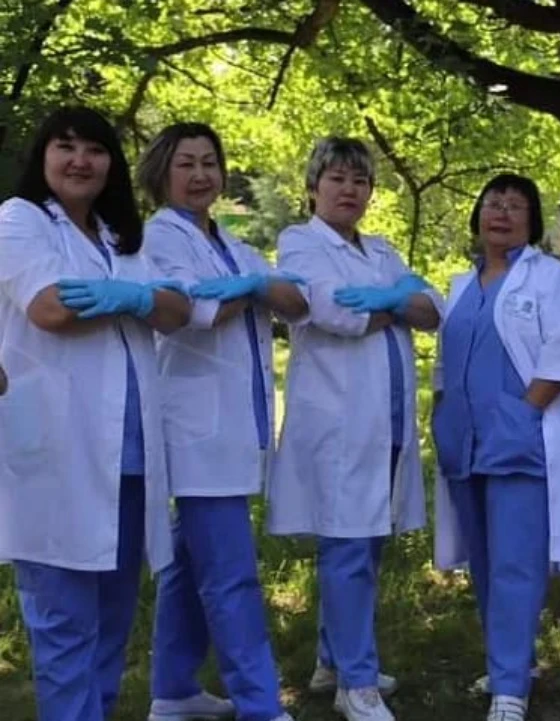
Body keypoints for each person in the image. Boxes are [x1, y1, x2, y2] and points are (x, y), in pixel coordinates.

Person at [0, 106, 188, 721]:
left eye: (96, 149)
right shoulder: (20, 220)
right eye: (66, 146)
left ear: (112, 164)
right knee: (64, 622)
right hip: (57, 448)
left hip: (129, 456)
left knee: (111, 618)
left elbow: (178, 311)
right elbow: (50, 309)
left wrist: (131, 295)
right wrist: (139, 302)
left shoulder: (117, 237)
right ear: (43, 156)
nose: (81, 161)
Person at [269, 136, 441, 721]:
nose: (349, 190)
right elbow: (340, 314)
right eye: (337, 178)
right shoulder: (299, 242)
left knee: (366, 544)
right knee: (346, 545)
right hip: (338, 422)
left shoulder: (381, 249)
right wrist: (397, 302)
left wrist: (390, 301)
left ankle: (331, 660)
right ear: (313, 186)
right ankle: (358, 684)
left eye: (360, 181)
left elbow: (433, 309)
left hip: (384, 422)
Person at [138, 122, 306, 721]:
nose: (200, 174)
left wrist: (252, 286)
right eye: (186, 163)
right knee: (232, 577)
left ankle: (173, 690)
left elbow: (296, 301)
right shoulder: (158, 236)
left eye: (209, 162)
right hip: (196, 430)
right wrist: (253, 291)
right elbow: (195, 311)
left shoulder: (233, 244)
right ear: (161, 172)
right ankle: (262, 705)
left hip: (232, 426)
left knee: (189, 565)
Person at [431, 172, 560, 721]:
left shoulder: (551, 278)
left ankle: (510, 688)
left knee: (516, 563)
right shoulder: (462, 283)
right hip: (464, 438)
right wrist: (442, 413)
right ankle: (508, 662)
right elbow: (447, 359)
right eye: (492, 203)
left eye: (515, 206)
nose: (501, 213)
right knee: (481, 561)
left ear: (533, 221)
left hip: (519, 438)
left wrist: (524, 414)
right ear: (477, 215)